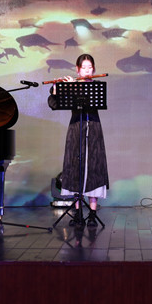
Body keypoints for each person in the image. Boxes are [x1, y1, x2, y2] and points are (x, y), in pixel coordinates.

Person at [48, 54, 109, 227]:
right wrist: (58, 88)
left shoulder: (96, 86)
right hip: (76, 129)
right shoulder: (71, 85)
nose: (87, 70)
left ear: (94, 69)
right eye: (84, 68)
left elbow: (92, 102)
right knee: (75, 167)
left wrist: (74, 87)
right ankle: (78, 213)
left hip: (94, 129)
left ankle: (93, 213)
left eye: (90, 67)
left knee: (94, 167)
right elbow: (54, 104)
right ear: (77, 69)